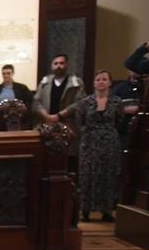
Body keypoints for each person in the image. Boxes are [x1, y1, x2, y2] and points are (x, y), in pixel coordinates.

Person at [51, 70, 124, 222]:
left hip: (109, 142)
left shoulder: (117, 102)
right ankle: (85, 210)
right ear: (94, 83)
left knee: (108, 175)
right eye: (98, 79)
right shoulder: (85, 102)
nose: (101, 82)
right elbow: (80, 122)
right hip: (89, 142)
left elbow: (119, 120)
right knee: (87, 175)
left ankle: (107, 210)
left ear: (110, 83)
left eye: (104, 79)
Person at [33, 53, 84, 120]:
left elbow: (80, 103)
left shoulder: (76, 82)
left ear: (67, 65)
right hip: (47, 122)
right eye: (56, 63)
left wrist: (60, 115)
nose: (58, 66)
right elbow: (36, 102)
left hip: (68, 122)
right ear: (52, 66)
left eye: (61, 63)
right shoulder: (44, 82)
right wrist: (46, 116)